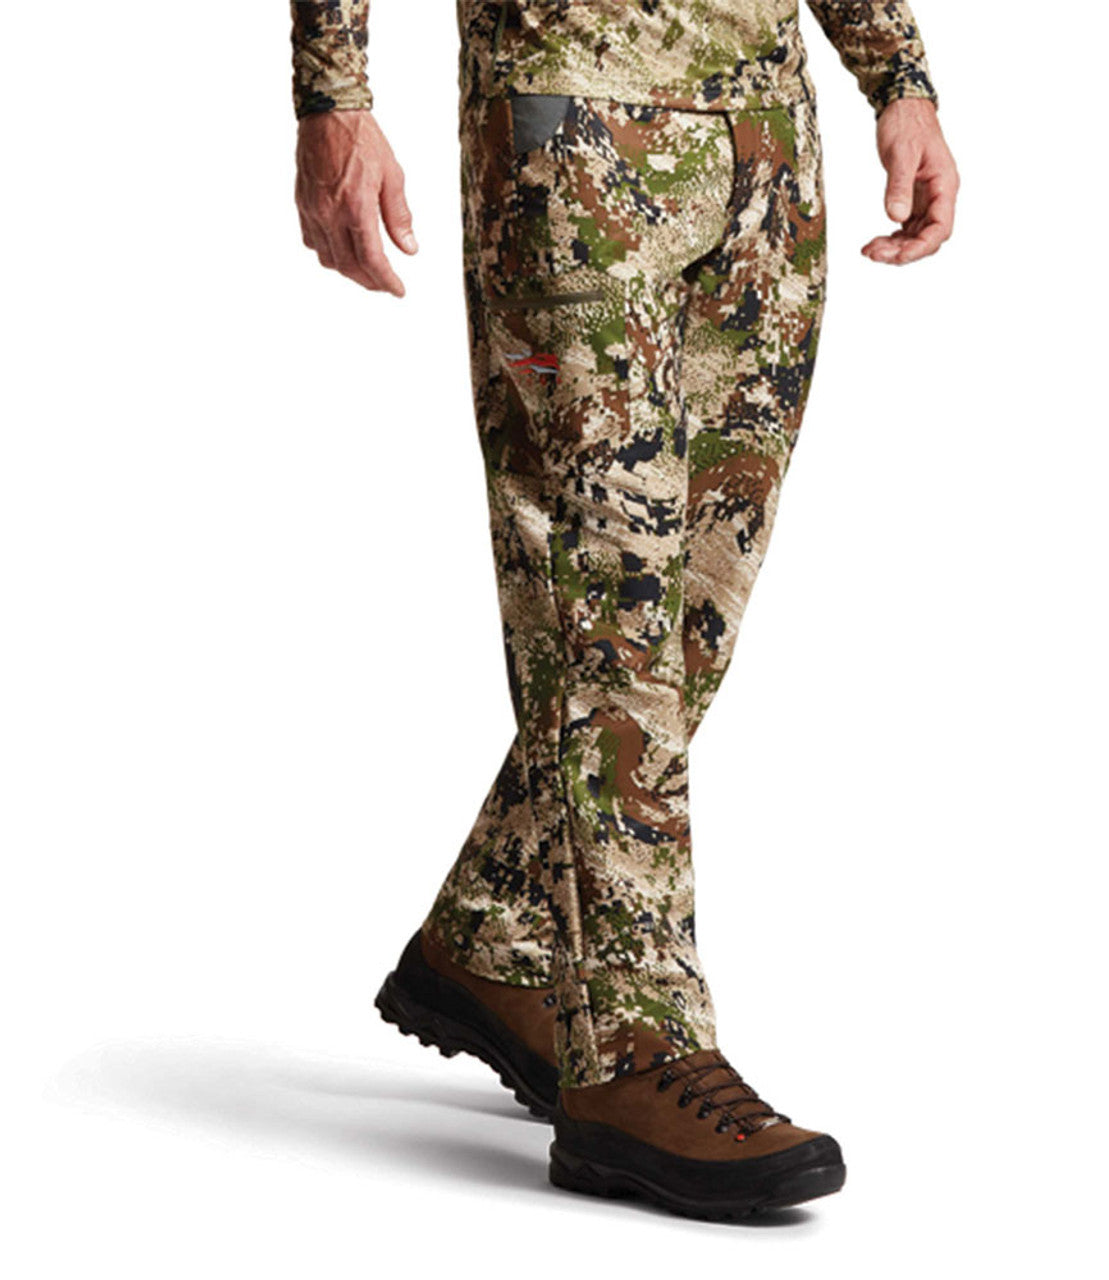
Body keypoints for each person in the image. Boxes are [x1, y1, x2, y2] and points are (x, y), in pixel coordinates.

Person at [290, 0, 958, 1219]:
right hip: (569, 119)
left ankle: (497, 939)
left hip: (762, 135)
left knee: (693, 604)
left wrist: (893, 72)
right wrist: (332, 93)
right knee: (606, 601)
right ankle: (635, 1047)